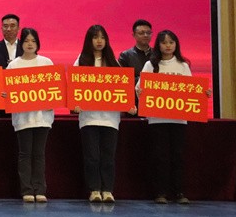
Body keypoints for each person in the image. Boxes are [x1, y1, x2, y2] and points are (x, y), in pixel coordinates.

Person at [137, 30, 207, 204]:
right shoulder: (150, 65)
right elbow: (139, 88)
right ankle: (160, 192)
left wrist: (203, 93)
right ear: (158, 45)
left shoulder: (183, 65)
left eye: (171, 42)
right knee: (159, 156)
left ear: (176, 45)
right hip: (157, 119)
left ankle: (179, 192)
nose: (168, 46)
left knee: (178, 156)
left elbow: (191, 89)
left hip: (179, 119)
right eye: (164, 42)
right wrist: (140, 91)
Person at [73, 24, 135, 203]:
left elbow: (123, 89)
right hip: (89, 118)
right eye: (95, 37)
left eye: (102, 37)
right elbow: (75, 88)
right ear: (89, 40)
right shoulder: (81, 60)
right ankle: (94, 190)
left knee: (108, 157)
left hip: (110, 119)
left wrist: (129, 105)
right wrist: (75, 104)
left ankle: (107, 190)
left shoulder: (113, 62)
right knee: (92, 157)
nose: (99, 41)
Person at [5, 27, 54, 202]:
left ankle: (40, 189)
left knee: (39, 154)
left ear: (38, 43)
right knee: (25, 154)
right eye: (26, 41)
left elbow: (54, 88)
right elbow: (7, 90)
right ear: (21, 44)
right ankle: (26, 190)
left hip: (42, 117)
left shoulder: (46, 62)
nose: (30, 44)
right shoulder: (14, 65)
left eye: (33, 41)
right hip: (23, 118)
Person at [0, 14, 23, 118]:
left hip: (21, 98)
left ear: (18, 28)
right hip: (1, 98)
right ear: (1, 28)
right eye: (5, 26)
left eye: (12, 26)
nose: (9, 29)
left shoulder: (26, 47)